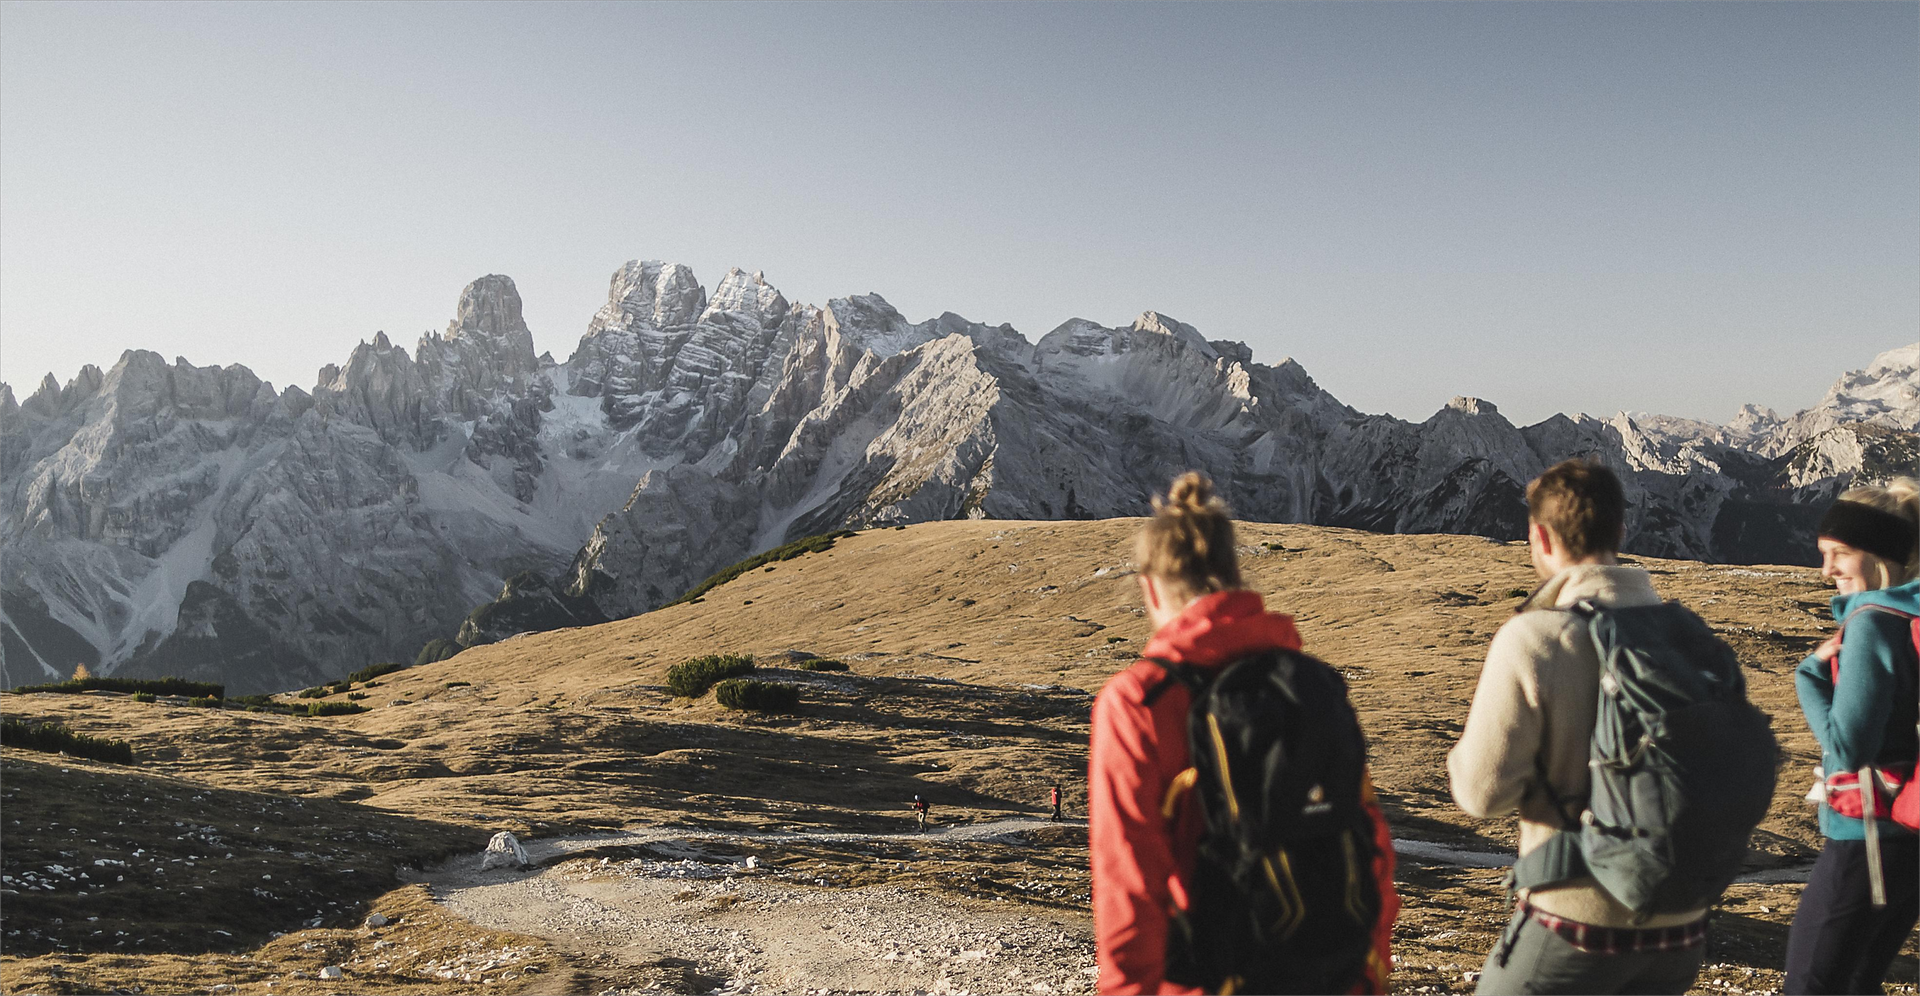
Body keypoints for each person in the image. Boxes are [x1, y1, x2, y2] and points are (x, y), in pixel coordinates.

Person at [1089, 472, 1397, 995]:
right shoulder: (1309, 684)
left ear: (1149, 587)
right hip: (1331, 974)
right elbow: (1370, 839)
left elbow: (1129, 888)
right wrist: (1369, 972)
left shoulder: (1140, 702)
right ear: (1235, 575)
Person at [1449, 460, 1710, 995]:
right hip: (1682, 922)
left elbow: (1482, 795)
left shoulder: (1535, 638)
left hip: (1576, 918)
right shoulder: (1688, 634)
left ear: (1539, 537)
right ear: (1620, 529)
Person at [1785, 478, 1920, 995]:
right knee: (1861, 980)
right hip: (1910, 835)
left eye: (1840, 554)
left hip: (1864, 836)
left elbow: (1847, 750)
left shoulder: (1873, 623)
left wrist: (1809, 678)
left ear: (1880, 554)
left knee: (1813, 984)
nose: (1827, 571)